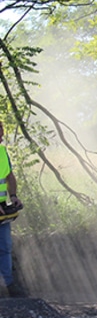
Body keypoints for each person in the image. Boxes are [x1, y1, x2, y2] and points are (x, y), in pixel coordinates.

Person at [0, 121, 24, 297]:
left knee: (5, 247)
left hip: (2, 210)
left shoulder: (2, 152)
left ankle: (9, 285)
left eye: (1, 130)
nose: (1, 135)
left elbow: (9, 176)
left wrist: (13, 196)